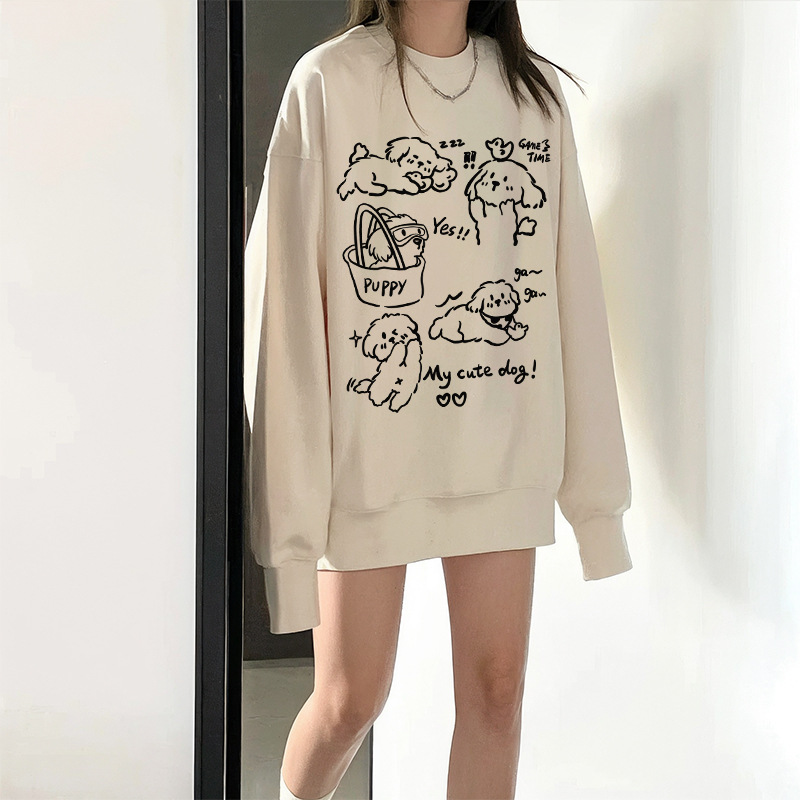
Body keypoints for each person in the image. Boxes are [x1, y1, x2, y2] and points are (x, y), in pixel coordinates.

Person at [243, 1, 633, 798]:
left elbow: (575, 300)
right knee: (351, 700)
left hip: (501, 449)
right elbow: (283, 311)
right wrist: (292, 531)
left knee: (497, 693)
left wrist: (597, 506)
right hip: (368, 459)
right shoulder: (329, 83)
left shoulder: (531, 98)